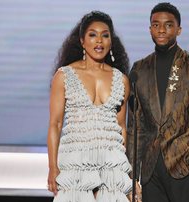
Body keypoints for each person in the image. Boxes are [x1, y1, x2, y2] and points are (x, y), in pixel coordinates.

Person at [126, 2, 189, 202]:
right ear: (150, 28)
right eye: (156, 24)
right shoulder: (139, 69)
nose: (161, 29)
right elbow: (136, 126)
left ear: (179, 29)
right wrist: (131, 174)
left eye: (168, 25)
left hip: (184, 168)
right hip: (150, 170)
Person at [47, 11, 132, 202]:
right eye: (92, 35)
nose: (99, 41)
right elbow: (55, 124)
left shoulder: (122, 80)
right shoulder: (64, 76)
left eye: (105, 35)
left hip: (110, 165)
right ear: (82, 41)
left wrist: (124, 172)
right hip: (76, 163)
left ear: (111, 41)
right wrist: (53, 167)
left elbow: (122, 129)